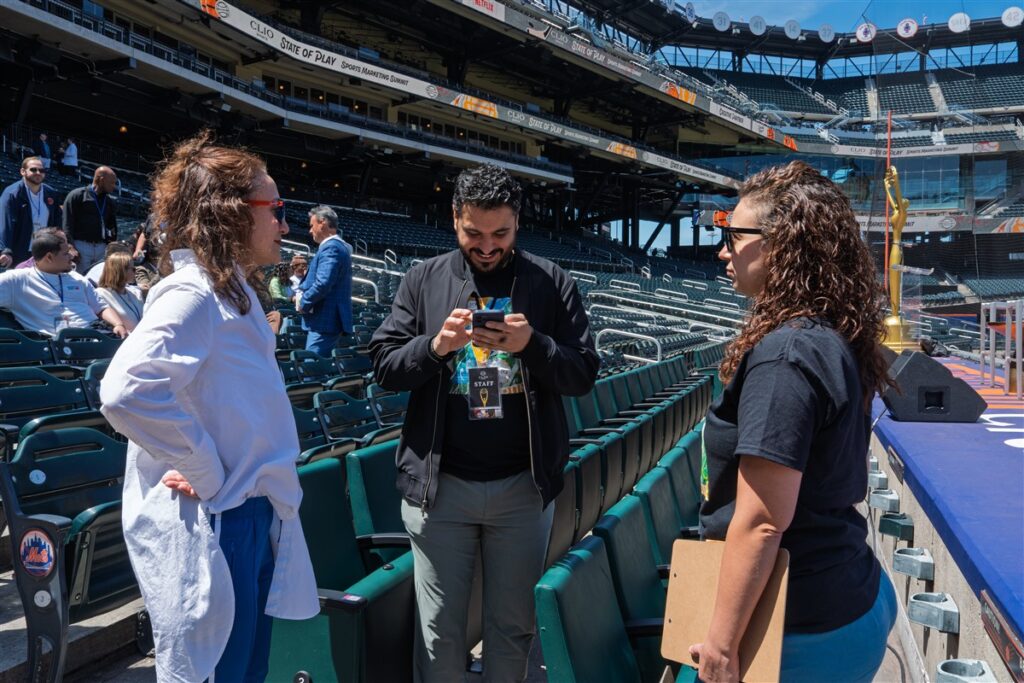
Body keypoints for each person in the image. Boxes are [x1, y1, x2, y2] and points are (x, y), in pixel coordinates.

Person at [99, 131, 317, 683]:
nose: (285, 224)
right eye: (277, 209)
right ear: (232, 213)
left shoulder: (231, 291)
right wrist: (205, 468)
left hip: (247, 511)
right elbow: (126, 390)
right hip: (223, 520)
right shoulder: (193, 292)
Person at [368, 163, 599, 683]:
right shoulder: (423, 278)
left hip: (522, 487)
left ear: (517, 223)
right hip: (440, 489)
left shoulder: (550, 281)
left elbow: (583, 373)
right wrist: (435, 347)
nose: (488, 247)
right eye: (475, 233)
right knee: (440, 633)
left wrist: (532, 345)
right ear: (455, 218)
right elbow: (384, 365)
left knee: (512, 628)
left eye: (501, 234)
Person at [689, 161, 897, 683]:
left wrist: (720, 646)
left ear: (781, 246)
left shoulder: (786, 356)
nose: (723, 251)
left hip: (799, 628)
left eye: (734, 237)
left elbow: (762, 522)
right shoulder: (828, 335)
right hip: (849, 593)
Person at [0, 228, 128, 337]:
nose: (71, 256)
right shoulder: (18, 280)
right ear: (49, 257)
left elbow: (101, 307)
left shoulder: (77, 278)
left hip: (96, 334)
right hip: (58, 345)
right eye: (66, 253)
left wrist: (118, 324)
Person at [294, 205, 352, 356]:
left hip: (324, 321)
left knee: (310, 365)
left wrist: (303, 302)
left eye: (312, 225)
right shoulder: (337, 246)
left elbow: (323, 283)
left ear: (323, 223)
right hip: (327, 320)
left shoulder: (331, 247)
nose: (310, 230)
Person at [0, 156, 63, 267]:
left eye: (42, 170)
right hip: (20, 251)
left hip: (44, 251)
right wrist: (5, 250)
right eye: (33, 169)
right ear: (23, 171)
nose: (38, 173)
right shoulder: (12, 193)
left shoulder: (51, 193)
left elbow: (57, 223)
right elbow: (5, 224)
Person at [63, 165, 118, 273]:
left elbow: (112, 227)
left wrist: (111, 247)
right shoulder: (77, 195)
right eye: (111, 183)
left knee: (99, 279)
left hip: (101, 248)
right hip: (81, 247)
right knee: (80, 279)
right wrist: (70, 246)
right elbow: (67, 224)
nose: (114, 186)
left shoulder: (109, 201)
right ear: (101, 180)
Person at [95, 251, 144, 331]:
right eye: (133, 269)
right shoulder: (100, 294)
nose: (136, 271)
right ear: (120, 271)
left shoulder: (135, 292)